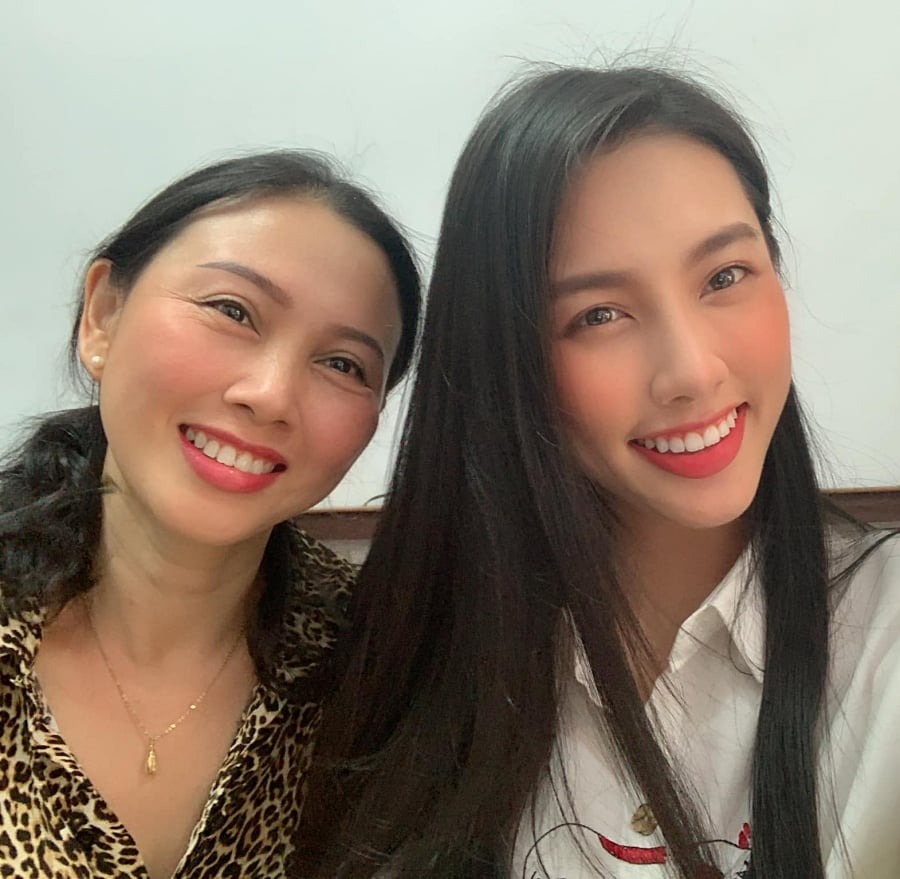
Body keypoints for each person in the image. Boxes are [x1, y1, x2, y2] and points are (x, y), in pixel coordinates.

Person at [294, 67, 900, 879]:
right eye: (599, 315)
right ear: (507, 358)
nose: (691, 370)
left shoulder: (881, 636)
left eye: (725, 276)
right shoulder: (404, 656)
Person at [0, 150, 420, 878]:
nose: (271, 394)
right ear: (102, 316)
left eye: (343, 364)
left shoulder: (379, 674)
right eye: (232, 311)